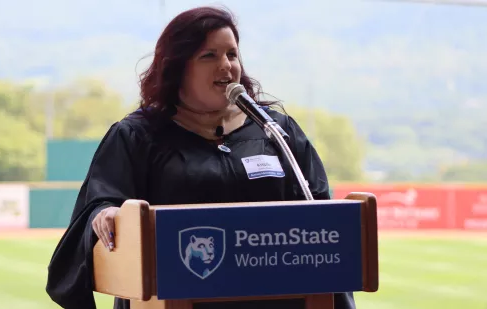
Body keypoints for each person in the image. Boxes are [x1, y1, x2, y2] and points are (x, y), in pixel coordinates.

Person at [45, 5, 357, 309]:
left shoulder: (274, 130)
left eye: (232, 54)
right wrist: (110, 215)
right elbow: (100, 204)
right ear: (178, 67)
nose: (227, 65)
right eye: (210, 55)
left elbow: (321, 216)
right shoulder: (137, 136)